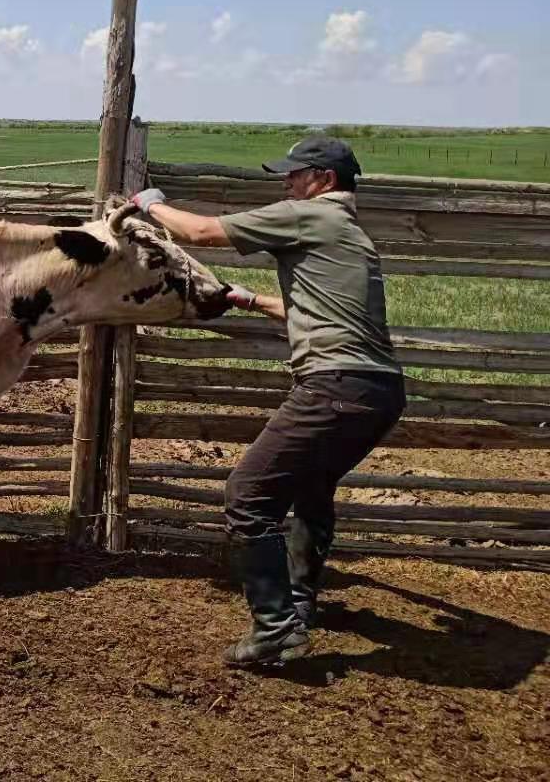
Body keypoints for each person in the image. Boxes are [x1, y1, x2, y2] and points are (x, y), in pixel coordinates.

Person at [129, 135, 404, 667]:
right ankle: (299, 608)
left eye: (294, 175)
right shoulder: (347, 231)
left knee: (248, 496)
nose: (286, 183)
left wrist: (149, 202)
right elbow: (318, 311)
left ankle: (276, 628)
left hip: (335, 387)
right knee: (311, 487)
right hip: (378, 391)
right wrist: (248, 299)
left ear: (323, 180)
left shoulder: (311, 216)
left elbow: (202, 232)